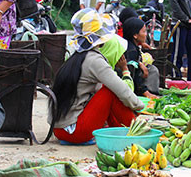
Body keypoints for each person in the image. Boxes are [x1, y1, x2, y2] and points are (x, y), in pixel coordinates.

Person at [51, 9, 143, 144]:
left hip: (59, 130)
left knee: (106, 91)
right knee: (109, 91)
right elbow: (122, 91)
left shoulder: (75, 57)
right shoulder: (95, 60)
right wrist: (139, 107)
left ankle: (121, 129)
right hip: (74, 131)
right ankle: (137, 130)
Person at [122, 17, 160, 98]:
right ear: (135, 35)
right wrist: (146, 93)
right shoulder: (131, 51)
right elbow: (134, 75)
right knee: (152, 70)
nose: (146, 34)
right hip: (129, 86)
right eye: (144, 31)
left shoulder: (130, 46)